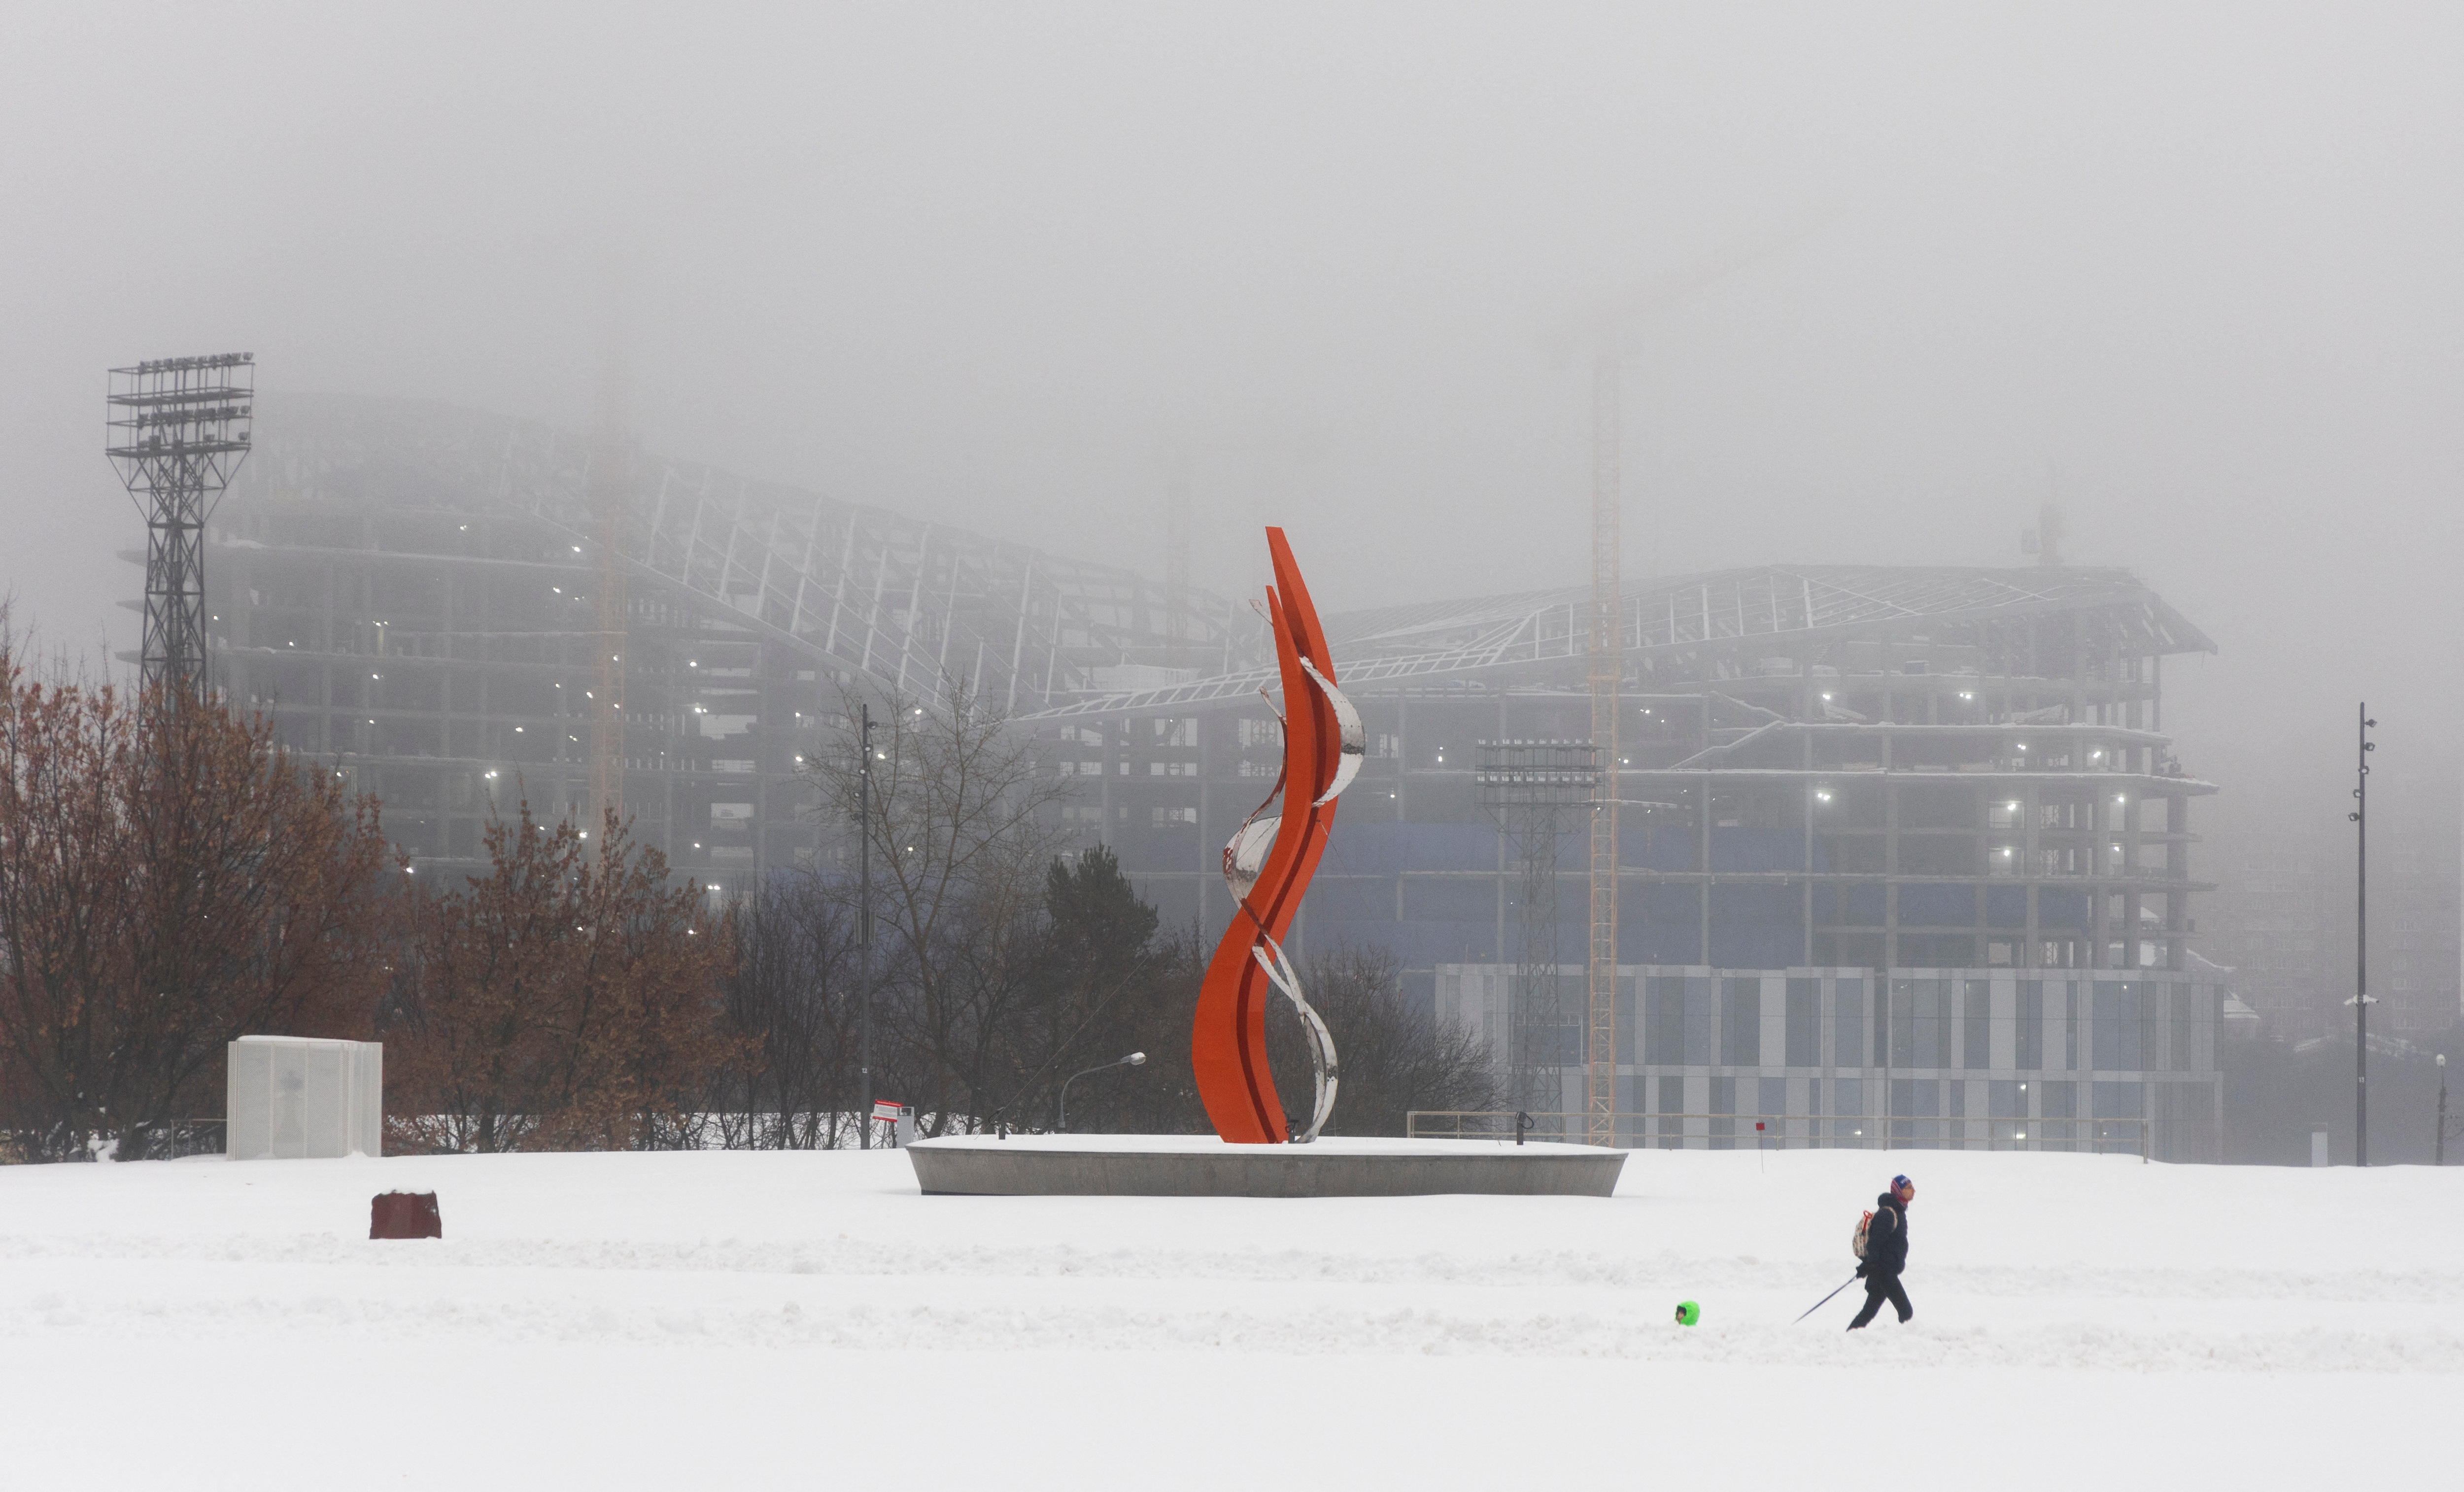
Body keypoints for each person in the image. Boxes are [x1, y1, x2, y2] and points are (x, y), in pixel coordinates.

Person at [1848, 1174, 1915, 1330]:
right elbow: (1875, 1243)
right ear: (1898, 1191)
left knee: (1868, 1312)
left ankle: (1849, 1337)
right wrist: (1870, 1265)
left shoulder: (1898, 1212)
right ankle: (1908, 1340)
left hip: (1883, 1271)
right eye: (1909, 1188)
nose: (1913, 1191)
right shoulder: (1888, 1214)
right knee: (1906, 1312)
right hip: (1884, 1272)